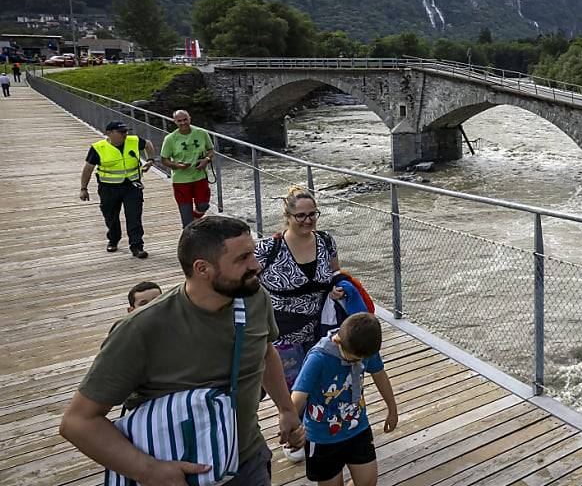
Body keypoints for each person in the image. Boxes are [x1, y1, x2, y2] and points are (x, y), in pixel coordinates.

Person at [60, 215, 304, 486]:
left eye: (253, 254)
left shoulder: (255, 299)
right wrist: (148, 470)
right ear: (202, 269)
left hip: (248, 461)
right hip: (179, 474)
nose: (256, 266)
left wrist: (286, 409)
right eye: (242, 258)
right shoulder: (143, 328)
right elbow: (77, 422)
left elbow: (265, 351)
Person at [255, 185, 362, 460]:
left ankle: (313, 431)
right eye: (300, 215)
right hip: (281, 331)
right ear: (287, 216)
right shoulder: (269, 247)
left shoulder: (326, 241)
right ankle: (292, 437)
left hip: (321, 326)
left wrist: (338, 288)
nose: (307, 221)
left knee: (318, 382)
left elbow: (336, 273)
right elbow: (245, 281)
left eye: (312, 214)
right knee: (291, 388)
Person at [291, 313, 398, 486]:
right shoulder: (318, 358)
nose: (360, 362)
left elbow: (379, 374)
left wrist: (392, 409)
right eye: (356, 359)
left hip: (357, 426)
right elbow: (298, 397)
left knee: (368, 481)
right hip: (322, 436)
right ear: (337, 341)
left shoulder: (364, 348)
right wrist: (291, 430)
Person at [80, 121, 156, 258]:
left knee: (134, 216)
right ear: (109, 133)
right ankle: (113, 239)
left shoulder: (134, 141)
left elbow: (148, 144)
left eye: (126, 131)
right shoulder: (98, 148)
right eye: (121, 132)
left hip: (132, 186)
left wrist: (150, 160)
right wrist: (83, 188)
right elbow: (88, 169)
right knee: (111, 217)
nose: (125, 135)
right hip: (108, 189)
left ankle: (137, 246)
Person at [160, 110, 215, 228]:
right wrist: (176, 165)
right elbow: (164, 160)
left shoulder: (202, 133)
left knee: (203, 205)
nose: (183, 123)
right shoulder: (170, 139)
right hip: (181, 180)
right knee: (186, 218)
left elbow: (211, 150)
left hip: (200, 176)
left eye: (185, 119)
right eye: (179, 121)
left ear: (190, 118)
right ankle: (189, 237)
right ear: (175, 122)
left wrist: (206, 160)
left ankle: (195, 218)